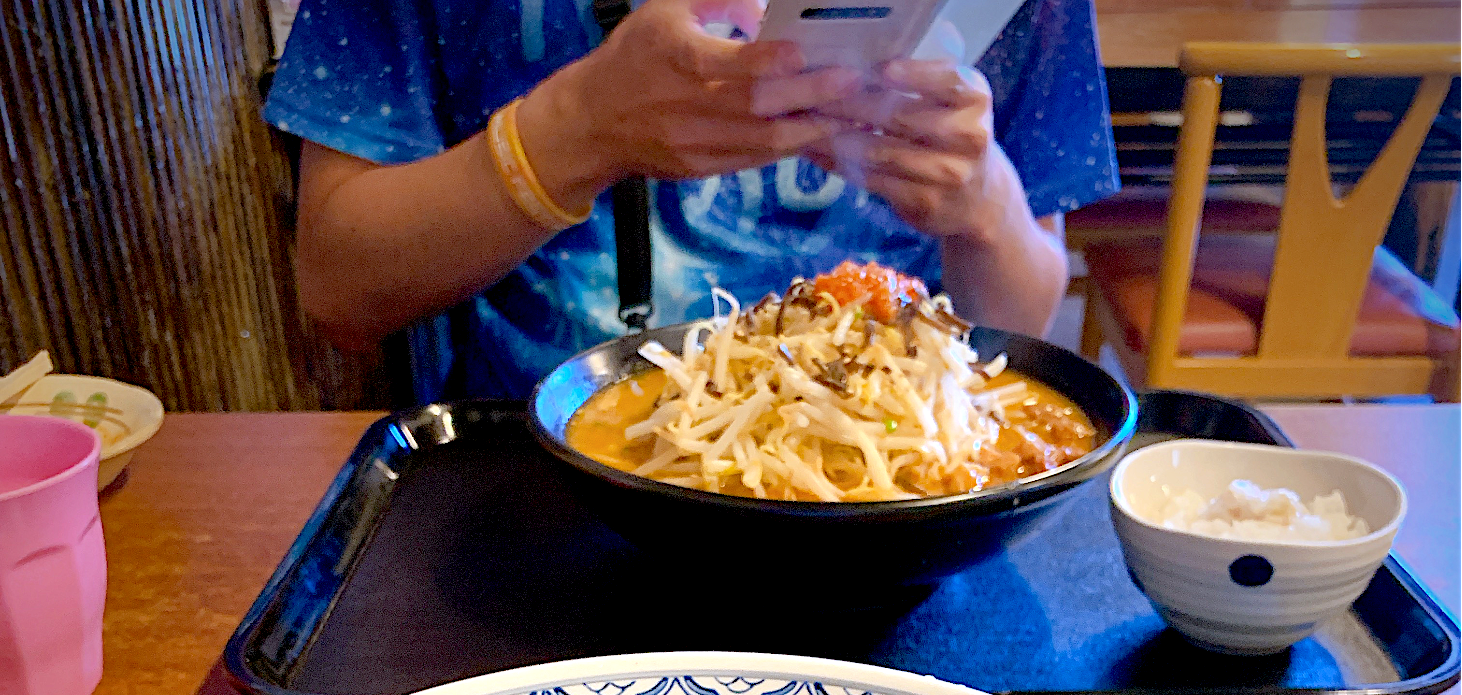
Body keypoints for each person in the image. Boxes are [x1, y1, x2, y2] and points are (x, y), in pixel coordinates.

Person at [265, 0, 1118, 397]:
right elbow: (339, 288)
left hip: (906, 500)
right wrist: (570, 132)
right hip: (531, 487)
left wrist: (985, 203)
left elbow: (1023, 315)